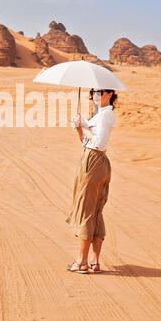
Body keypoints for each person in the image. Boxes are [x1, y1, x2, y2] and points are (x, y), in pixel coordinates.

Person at [66, 88, 118, 274]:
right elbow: (85, 142)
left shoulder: (104, 116)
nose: (96, 94)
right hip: (94, 159)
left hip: (94, 160)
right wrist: (80, 128)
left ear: (110, 94)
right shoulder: (99, 115)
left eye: (101, 91)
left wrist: (85, 127)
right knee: (95, 210)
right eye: (94, 91)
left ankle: (82, 262)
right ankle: (94, 261)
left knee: (87, 210)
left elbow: (98, 142)